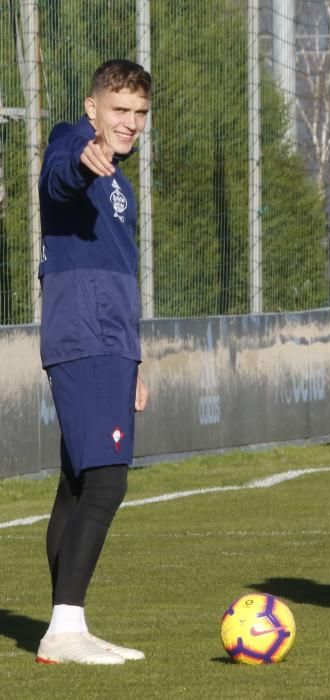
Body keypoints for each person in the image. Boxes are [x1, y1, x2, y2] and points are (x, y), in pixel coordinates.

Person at [36, 59, 151, 664]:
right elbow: (58, 175)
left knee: (79, 485)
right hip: (83, 336)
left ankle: (66, 625)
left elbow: (119, 274)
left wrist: (135, 360)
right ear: (92, 108)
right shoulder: (71, 143)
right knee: (107, 481)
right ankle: (65, 626)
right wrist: (81, 161)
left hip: (111, 342)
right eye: (118, 111)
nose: (128, 124)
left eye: (138, 114)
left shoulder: (121, 185)